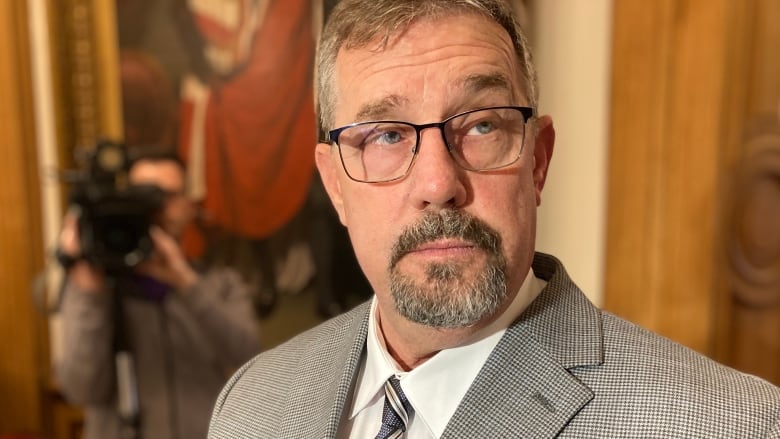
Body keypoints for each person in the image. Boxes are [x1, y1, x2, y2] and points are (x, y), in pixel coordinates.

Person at [208, 1, 780, 438]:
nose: (437, 185)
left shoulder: (724, 423)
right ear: (335, 182)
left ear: (538, 159)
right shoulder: (251, 401)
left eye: (481, 125)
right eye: (385, 134)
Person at [56, 147, 260, 439]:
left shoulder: (220, 284)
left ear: (189, 206)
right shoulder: (97, 286)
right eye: (143, 195)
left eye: (169, 196)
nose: (157, 207)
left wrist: (186, 284)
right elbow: (80, 388)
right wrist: (90, 292)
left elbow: (248, 358)